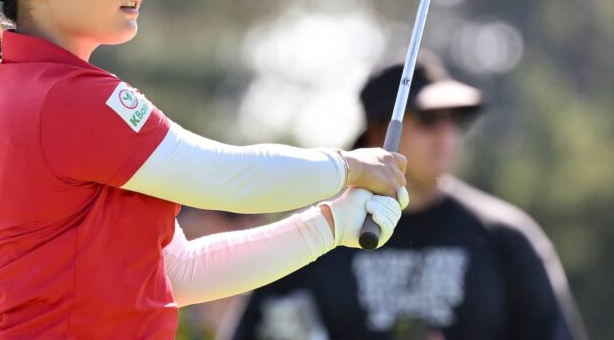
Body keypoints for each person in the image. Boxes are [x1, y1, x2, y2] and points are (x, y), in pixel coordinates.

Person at [0, 0, 410, 339]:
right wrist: (350, 167)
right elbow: (223, 178)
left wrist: (329, 226)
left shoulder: (44, 88)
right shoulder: (62, 96)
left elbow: (178, 274)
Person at [231, 56, 588, 340]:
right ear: (378, 131)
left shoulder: (506, 238)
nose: (446, 134)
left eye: (455, 118)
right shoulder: (314, 235)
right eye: (429, 118)